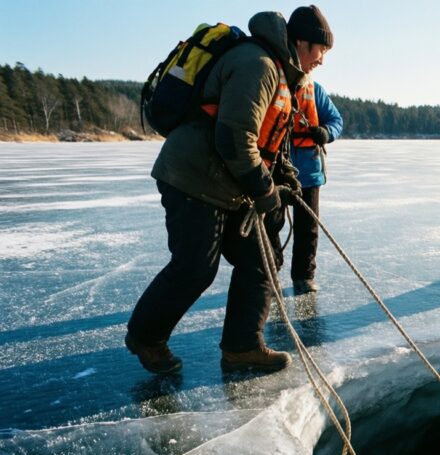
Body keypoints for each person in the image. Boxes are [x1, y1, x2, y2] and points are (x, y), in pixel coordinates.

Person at [125, 6, 333, 374]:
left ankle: (242, 347)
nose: (322, 59)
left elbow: (270, 140)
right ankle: (146, 336)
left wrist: (283, 176)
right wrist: (265, 190)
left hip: (226, 182)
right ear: (301, 42)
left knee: (262, 259)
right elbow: (235, 136)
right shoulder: (260, 65)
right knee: (195, 268)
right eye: (321, 50)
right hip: (194, 177)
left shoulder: (282, 73)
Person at [273, 75, 343, 295]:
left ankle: (304, 276)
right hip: (276, 170)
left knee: (308, 228)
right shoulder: (275, 84)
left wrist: (326, 132)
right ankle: (270, 274)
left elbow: (336, 121)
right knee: (271, 224)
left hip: (309, 172)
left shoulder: (315, 90)